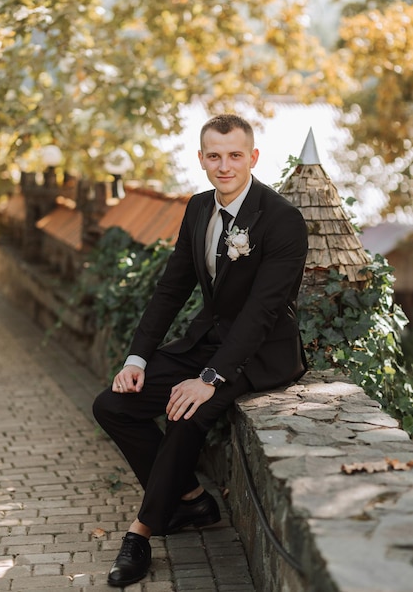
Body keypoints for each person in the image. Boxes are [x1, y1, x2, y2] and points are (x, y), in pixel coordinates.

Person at [93, 113, 308, 587]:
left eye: (235, 155)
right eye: (215, 155)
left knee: (185, 412)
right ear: (202, 159)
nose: (224, 165)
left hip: (261, 352)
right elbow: (171, 289)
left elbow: (262, 313)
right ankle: (191, 498)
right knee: (112, 405)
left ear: (253, 157)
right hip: (206, 338)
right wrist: (136, 359)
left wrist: (209, 379)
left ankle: (141, 532)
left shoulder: (283, 220)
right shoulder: (197, 209)